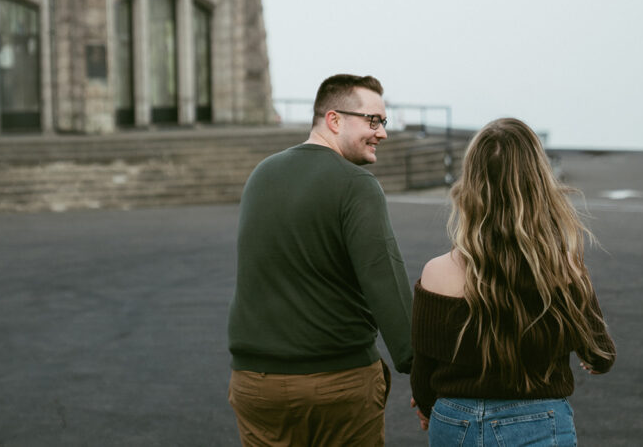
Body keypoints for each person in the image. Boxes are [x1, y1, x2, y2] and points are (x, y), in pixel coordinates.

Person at [227, 74, 414, 446]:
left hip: (255, 384)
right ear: (334, 119)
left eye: (384, 122)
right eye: (373, 121)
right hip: (337, 381)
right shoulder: (356, 185)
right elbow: (384, 283)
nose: (383, 133)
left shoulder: (261, 175)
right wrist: (421, 371)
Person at [410, 117, 615, 446]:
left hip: (453, 420)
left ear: (471, 187)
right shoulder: (563, 268)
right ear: (539, 185)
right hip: (539, 421)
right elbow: (600, 355)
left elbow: (423, 370)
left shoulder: (437, 271)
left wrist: (425, 406)